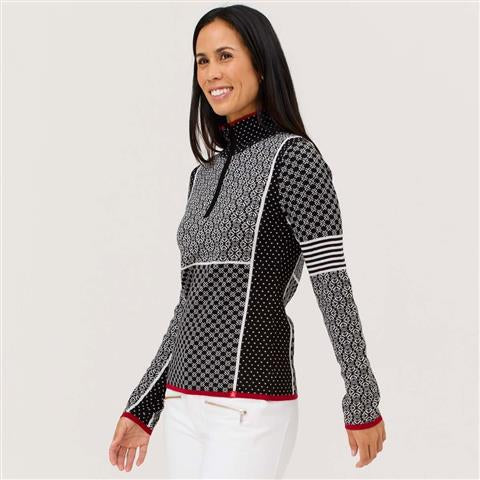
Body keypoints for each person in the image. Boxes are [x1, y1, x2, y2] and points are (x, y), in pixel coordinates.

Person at [109, 4, 386, 478]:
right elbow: (189, 306)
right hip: (182, 404)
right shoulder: (202, 177)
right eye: (202, 61)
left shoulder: (294, 158)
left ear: (260, 63)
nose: (211, 73)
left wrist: (361, 397)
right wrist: (143, 405)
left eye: (225, 56)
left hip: (250, 407)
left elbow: (331, 282)